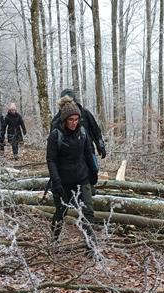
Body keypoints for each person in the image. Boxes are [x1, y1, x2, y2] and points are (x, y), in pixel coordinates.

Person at [46, 95, 98, 252]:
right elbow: (51, 160)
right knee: (60, 213)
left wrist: (94, 173)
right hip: (63, 182)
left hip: (82, 179)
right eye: (71, 120)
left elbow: (89, 153)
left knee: (88, 212)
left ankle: (91, 247)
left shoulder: (82, 132)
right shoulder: (56, 135)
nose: (74, 123)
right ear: (64, 120)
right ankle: (54, 242)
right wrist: (56, 182)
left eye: (76, 119)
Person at [50, 88, 107, 165]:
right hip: (67, 158)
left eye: (70, 102)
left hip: (88, 152)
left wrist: (100, 145)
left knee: (93, 171)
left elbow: (96, 131)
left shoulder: (86, 114)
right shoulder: (57, 120)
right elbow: (52, 142)